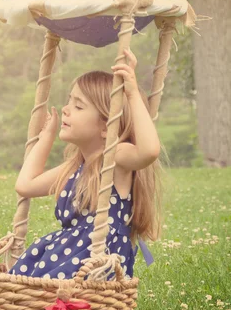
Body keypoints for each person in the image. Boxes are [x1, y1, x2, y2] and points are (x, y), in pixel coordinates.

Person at [9, 48, 163, 281]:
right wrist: (46, 138)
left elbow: (149, 151)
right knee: (23, 292)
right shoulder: (75, 166)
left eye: (79, 106)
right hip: (65, 256)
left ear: (106, 126)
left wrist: (131, 93)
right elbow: (25, 185)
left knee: (48, 299)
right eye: (70, 101)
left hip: (94, 265)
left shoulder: (115, 158)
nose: (66, 109)